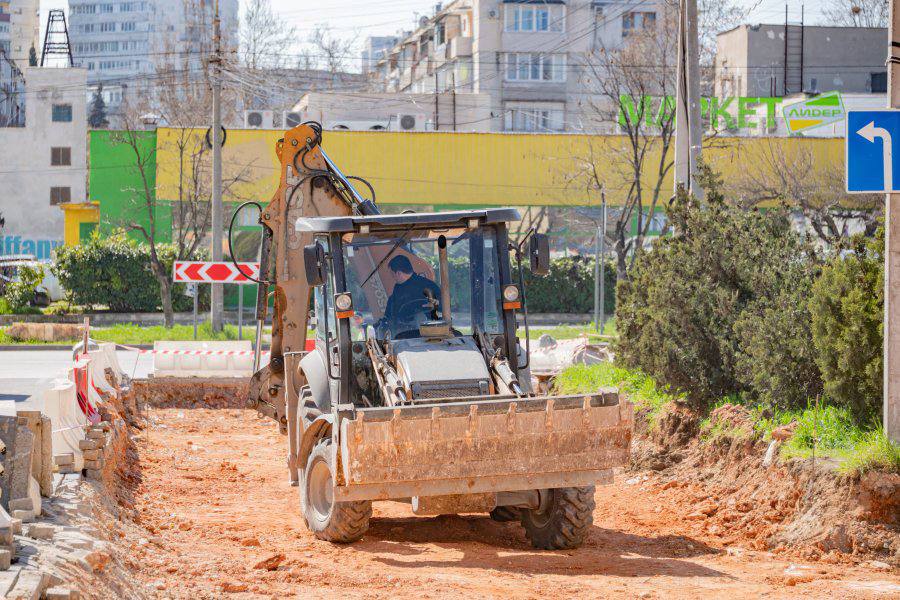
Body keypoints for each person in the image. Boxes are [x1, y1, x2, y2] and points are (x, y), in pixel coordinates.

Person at [381, 255, 441, 329]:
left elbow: (443, 306)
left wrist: (435, 304)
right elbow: (390, 313)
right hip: (401, 333)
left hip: (428, 331)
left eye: (392, 274)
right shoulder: (397, 288)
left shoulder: (428, 285)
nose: (392, 278)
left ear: (399, 273)